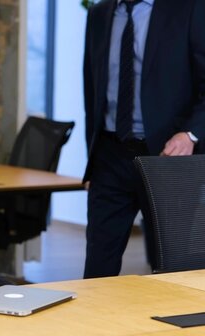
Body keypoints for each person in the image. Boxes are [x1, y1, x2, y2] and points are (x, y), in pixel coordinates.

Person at [82, 0, 205, 278]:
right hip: (110, 156)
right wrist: (92, 161)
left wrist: (190, 134)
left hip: (167, 159)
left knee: (173, 269)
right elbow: (92, 88)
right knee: (98, 266)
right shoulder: (100, 14)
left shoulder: (188, 9)